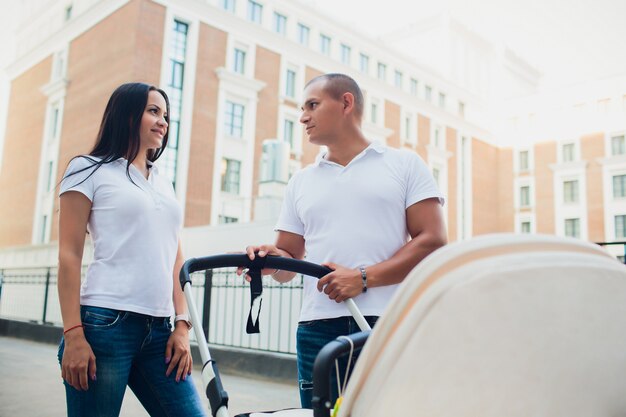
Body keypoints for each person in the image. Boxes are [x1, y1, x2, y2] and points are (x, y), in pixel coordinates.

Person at [241, 73, 448, 408]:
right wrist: (269, 260)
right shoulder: (301, 181)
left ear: (346, 103)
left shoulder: (404, 164)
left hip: (385, 324)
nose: (303, 116)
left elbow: (434, 240)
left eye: (312, 104)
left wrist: (362, 278)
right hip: (316, 328)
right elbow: (289, 261)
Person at [57, 82, 206, 416]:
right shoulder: (87, 169)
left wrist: (183, 325)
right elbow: (69, 255)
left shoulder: (163, 180)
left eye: (166, 115)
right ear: (126, 115)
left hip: (160, 332)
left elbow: (175, 257)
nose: (163, 122)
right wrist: (74, 335)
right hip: (104, 325)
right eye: (153, 111)